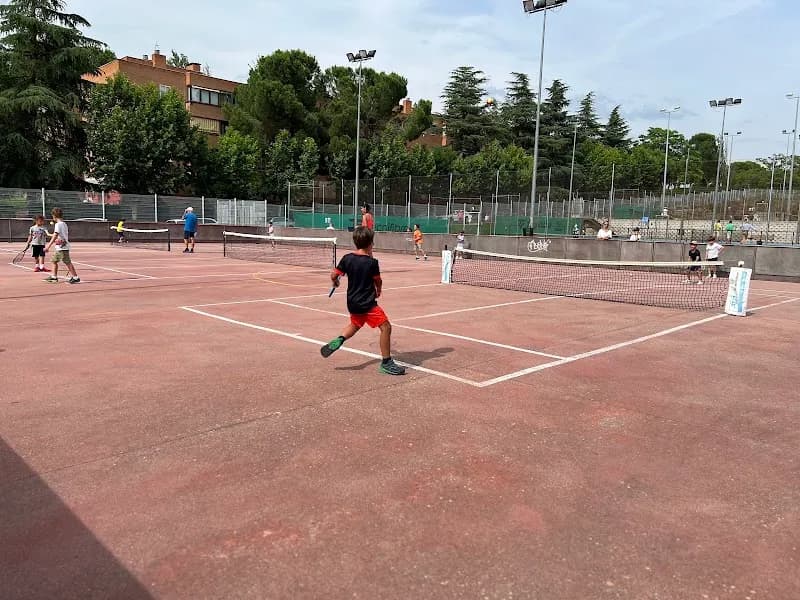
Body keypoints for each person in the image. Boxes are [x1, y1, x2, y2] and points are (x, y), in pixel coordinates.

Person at [320, 226, 405, 376]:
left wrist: (335, 282)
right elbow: (378, 280)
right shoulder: (372, 263)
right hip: (367, 303)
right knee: (386, 327)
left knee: (355, 324)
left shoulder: (347, 258)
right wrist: (378, 290)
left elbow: (334, 275)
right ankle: (386, 363)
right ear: (371, 243)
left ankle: (340, 339)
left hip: (352, 302)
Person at [44, 207, 80, 284]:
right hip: (63, 246)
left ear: (54, 216)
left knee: (63, 262)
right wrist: (49, 234)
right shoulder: (64, 224)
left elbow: (55, 235)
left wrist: (48, 246)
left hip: (62, 248)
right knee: (55, 261)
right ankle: (54, 277)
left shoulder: (58, 224)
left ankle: (75, 277)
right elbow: (59, 235)